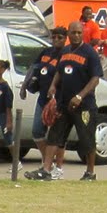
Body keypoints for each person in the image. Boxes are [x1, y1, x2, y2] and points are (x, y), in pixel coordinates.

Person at [48, 21, 103, 181]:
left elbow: (95, 78)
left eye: (79, 33)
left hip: (84, 105)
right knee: (55, 136)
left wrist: (80, 96)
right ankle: (45, 170)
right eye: (73, 32)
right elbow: (59, 71)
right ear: (69, 34)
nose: (76, 35)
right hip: (65, 104)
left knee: (87, 139)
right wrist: (53, 85)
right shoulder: (65, 51)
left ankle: (90, 172)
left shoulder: (90, 53)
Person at [21, 25, 66, 178]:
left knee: (57, 136)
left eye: (60, 37)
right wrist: (24, 86)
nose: (56, 40)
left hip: (57, 100)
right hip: (42, 98)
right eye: (54, 37)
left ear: (65, 39)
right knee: (37, 131)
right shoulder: (46, 52)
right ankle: (48, 163)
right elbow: (34, 68)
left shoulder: (66, 54)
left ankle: (58, 168)